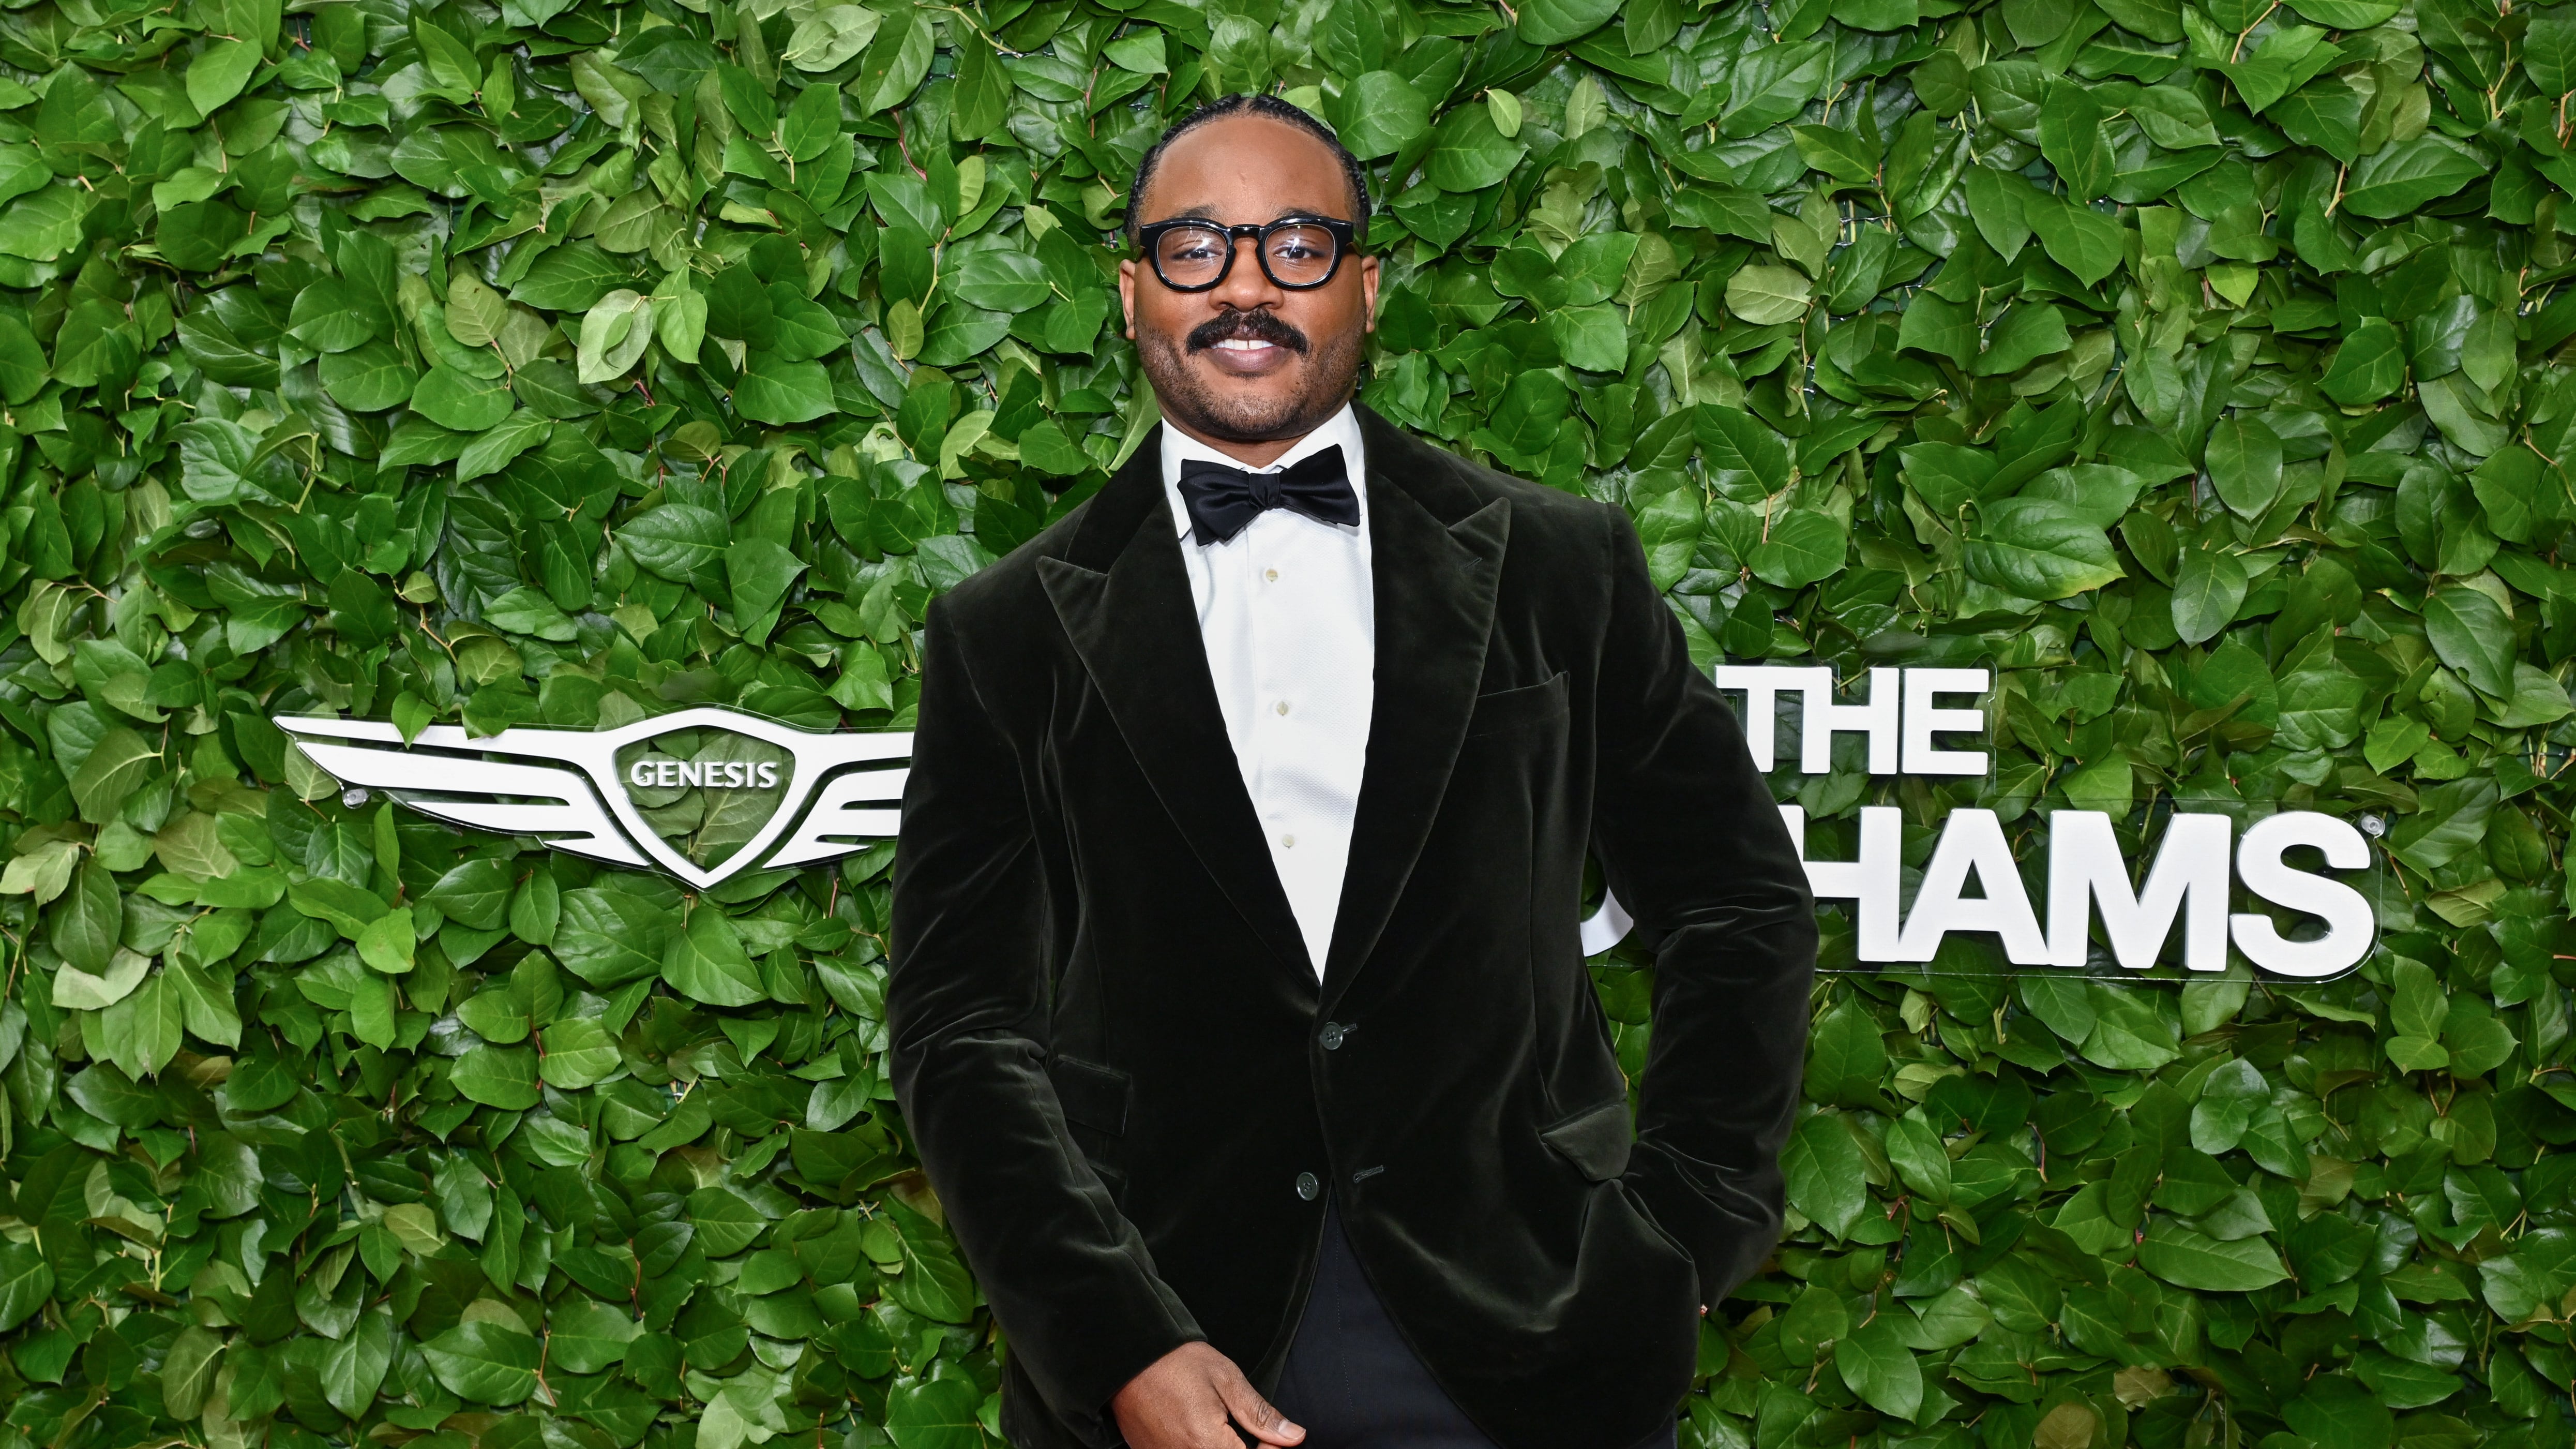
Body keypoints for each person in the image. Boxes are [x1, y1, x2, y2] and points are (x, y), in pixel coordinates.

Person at [884, 93, 1816, 1449]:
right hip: (1172, 1351)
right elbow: (961, 1028)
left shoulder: (1562, 569)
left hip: (1535, 1342)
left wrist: (1678, 1239)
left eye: (1297, 245)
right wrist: (1115, 1342)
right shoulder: (1004, 631)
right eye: (1196, 247)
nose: (1246, 285)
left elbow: (1740, 904)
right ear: (1133, 295)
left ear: (1366, 290)